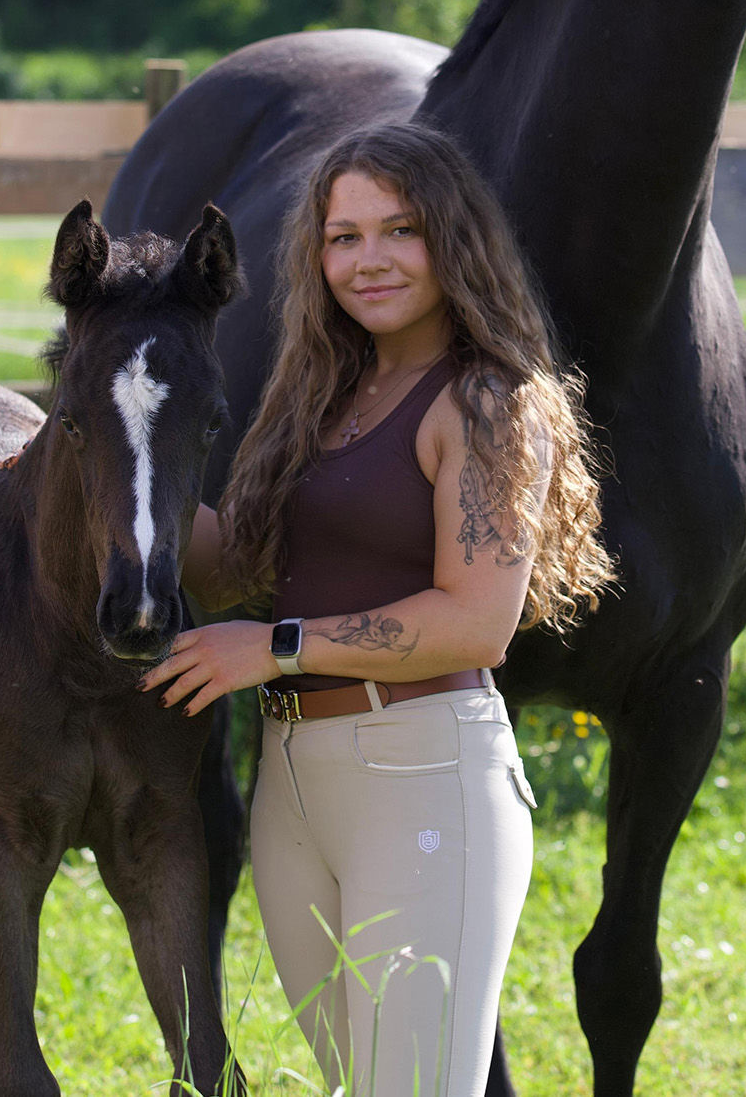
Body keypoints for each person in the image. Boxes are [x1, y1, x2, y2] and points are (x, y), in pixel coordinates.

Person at [139, 121, 615, 1097]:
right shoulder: (323, 393)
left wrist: (274, 647)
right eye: (343, 237)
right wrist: (120, 469)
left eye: (400, 230)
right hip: (292, 780)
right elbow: (229, 571)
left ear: (452, 238)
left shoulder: (487, 402)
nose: (369, 260)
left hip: (424, 772)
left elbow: (475, 621)